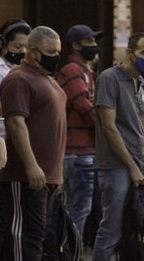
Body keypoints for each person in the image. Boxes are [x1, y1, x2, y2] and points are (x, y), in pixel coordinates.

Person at [0, 26, 67, 260]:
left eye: (58, 51)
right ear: (33, 52)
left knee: (38, 236)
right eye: (50, 51)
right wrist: (31, 165)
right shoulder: (19, 79)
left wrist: (57, 171)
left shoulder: (47, 80)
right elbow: (16, 122)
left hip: (48, 175)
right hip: (25, 175)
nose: (55, 56)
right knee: (23, 236)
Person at [91, 32, 144, 261]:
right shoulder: (110, 78)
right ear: (130, 53)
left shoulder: (141, 82)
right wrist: (132, 168)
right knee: (112, 230)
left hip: (140, 166)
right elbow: (109, 127)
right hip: (116, 166)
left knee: (140, 228)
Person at [56, 24, 102, 234]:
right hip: (77, 152)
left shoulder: (85, 71)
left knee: (79, 208)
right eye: (89, 41)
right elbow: (84, 106)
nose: (94, 46)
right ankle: (70, 252)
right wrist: (107, 127)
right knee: (78, 209)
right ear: (75, 45)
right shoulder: (72, 70)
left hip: (84, 151)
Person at [0, 20, 31, 172]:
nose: (22, 51)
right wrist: (19, 106)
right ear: (3, 45)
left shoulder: (25, 69)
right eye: (17, 47)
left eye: (26, 47)